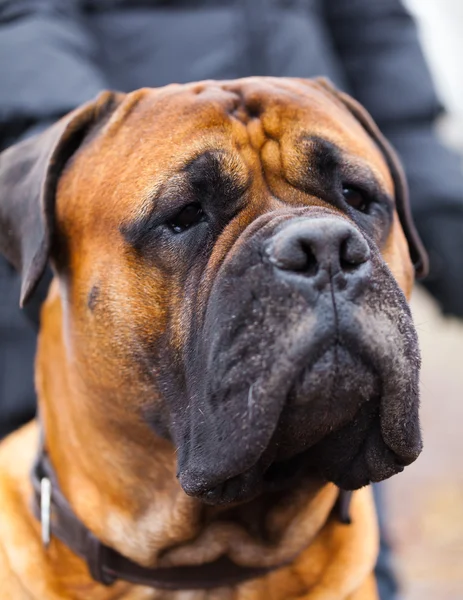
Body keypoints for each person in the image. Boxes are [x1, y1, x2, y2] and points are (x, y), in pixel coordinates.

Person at [1, 1, 462, 597]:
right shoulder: (85, 167)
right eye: (184, 217)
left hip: (306, 96)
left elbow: (371, 23)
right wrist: (100, 142)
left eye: (354, 196)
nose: (324, 247)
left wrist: (439, 194)